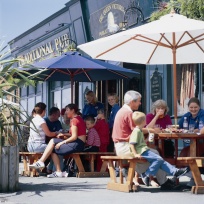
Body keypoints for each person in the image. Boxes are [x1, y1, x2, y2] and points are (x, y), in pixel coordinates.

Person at [112, 90, 177, 190]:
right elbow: (137, 131)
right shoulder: (129, 113)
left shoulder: (122, 111)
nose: (140, 103)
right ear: (132, 102)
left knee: (155, 153)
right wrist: (151, 130)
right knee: (156, 155)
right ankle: (160, 179)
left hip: (121, 145)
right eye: (138, 101)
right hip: (126, 146)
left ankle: (155, 177)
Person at [130, 111, 188, 186]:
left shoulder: (140, 130)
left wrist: (147, 139)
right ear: (143, 121)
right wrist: (135, 154)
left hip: (144, 149)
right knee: (159, 159)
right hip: (142, 151)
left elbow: (140, 142)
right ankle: (147, 174)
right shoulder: (136, 131)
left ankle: (175, 172)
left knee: (160, 160)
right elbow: (132, 144)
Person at [29, 103, 86, 178]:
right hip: (79, 143)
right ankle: (58, 171)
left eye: (67, 110)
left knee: (53, 142)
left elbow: (74, 137)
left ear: (72, 110)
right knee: (53, 147)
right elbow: (76, 134)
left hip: (77, 144)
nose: (65, 112)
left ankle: (42, 162)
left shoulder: (74, 120)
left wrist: (62, 142)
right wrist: (63, 134)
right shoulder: (78, 118)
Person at [44, 107, 64, 173]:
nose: (59, 117)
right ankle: (56, 169)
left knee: (58, 149)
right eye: (58, 115)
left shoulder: (57, 122)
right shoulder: (44, 121)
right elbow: (47, 134)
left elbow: (60, 132)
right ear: (53, 115)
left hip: (55, 142)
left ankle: (52, 169)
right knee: (55, 150)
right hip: (45, 143)